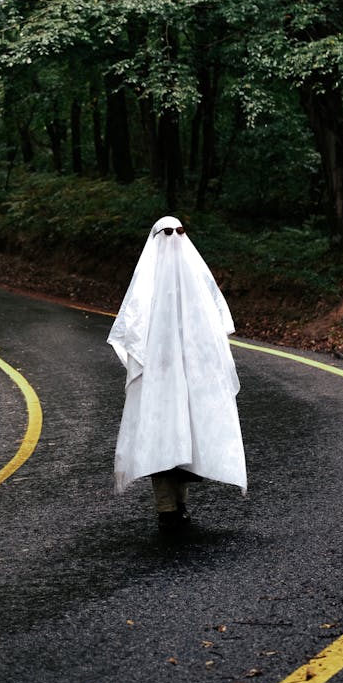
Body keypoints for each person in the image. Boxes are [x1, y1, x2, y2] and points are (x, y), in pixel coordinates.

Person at [108, 216, 247, 532]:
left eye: (179, 232)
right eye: (166, 233)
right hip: (158, 377)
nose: (173, 238)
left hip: (190, 374)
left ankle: (178, 504)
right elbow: (132, 325)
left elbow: (212, 325)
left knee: (186, 437)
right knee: (162, 438)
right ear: (156, 237)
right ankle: (166, 508)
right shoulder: (147, 281)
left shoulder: (195, 278)